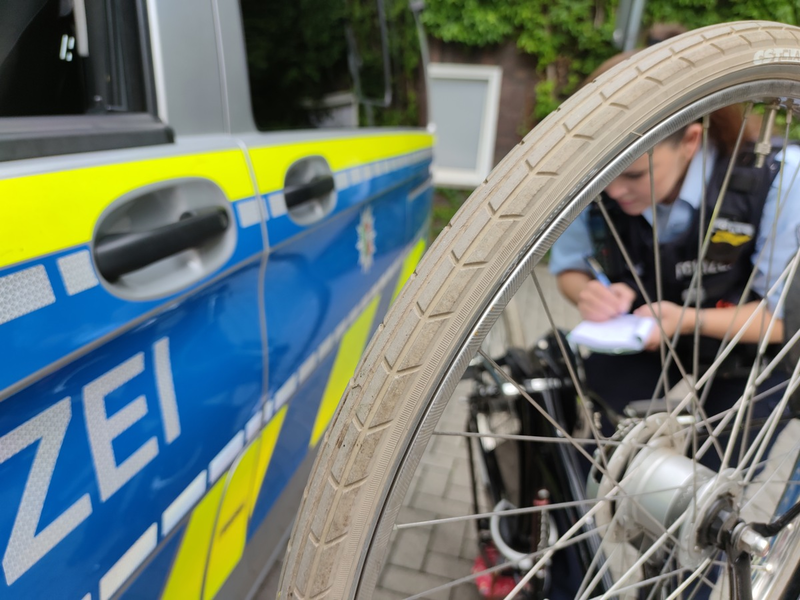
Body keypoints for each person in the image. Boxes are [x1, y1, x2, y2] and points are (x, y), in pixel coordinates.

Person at [549, 68, 800, 445]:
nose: (614, 191)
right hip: (642, 336)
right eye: (604, 175)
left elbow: (780, 320)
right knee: (597, 444)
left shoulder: (780, 178)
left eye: (633, 175)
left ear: (691, 141)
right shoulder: (597, 185)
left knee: (712, 476)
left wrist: (685, 320)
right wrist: (591, 293)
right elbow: (569, 265)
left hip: (744, 352)